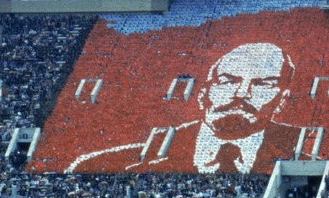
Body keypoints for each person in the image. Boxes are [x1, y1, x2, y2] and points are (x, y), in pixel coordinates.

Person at [67, 42, 304, 174]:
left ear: (281, 100)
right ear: (203, 93)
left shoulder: (303, 158)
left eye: (263, 84)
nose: (241, 94)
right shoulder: (96, 165)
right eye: (228, 81)